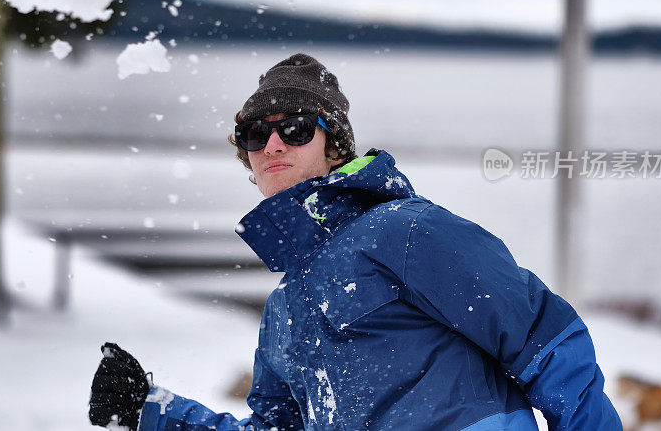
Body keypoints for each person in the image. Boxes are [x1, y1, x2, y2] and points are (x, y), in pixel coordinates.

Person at [88, 53, 622, 430]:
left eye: (296, 128)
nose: (273, 143)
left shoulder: (406, 231)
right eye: (256, 133)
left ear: (333, 142)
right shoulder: (285, 308)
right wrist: (151, 412)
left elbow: (550, 343)